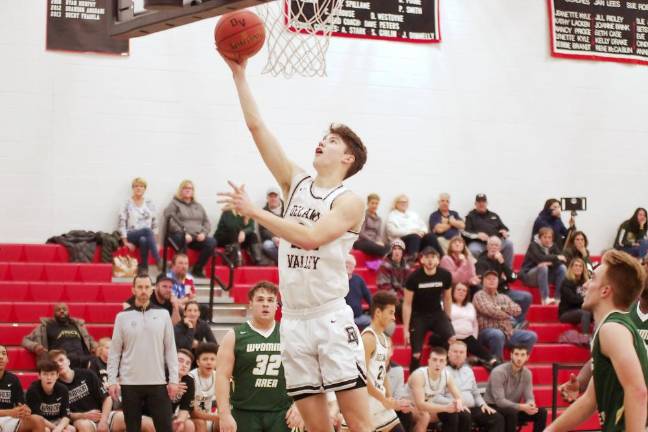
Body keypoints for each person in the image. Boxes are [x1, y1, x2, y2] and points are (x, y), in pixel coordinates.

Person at [219, 52, 371, 432]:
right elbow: (257, 128)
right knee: (315, 428)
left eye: (332, 140)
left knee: (358, 423)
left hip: (330, 317)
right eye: (323, 137)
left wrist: (254, 211)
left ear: (347, 157)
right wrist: (239, 75)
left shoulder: (349, 201)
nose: (322, 142)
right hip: (295, 321)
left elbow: (310, 238)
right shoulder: (296, 182)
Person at [545, 250, 647, 432]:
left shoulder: (612, 329)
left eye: (592, 278)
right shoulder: (611, 327)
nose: (585, 285)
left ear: (605, 290)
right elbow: (589, 400)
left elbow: (638, 391)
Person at [215, 281, 303, 432]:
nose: (265, 304)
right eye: (260, 300)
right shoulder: (234, 335)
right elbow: (222, 376)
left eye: (270, 300)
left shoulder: (289, 334)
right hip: (244, 413)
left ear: (277, 305)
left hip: (282, 414)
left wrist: (300, 406)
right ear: (251, 304)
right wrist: (224, 414)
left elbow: (303, 373)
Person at [107, 274, 180, 432]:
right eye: (139, 287)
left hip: (158, 382)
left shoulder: (163, 315)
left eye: (147, 287)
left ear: (152, 289)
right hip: (129, 383)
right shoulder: (122, 317)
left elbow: (170, 349)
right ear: (133, 289)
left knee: (165, 428)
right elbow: (114, 352)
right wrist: (112, 380)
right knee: (132, 428)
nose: (143, 291)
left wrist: (174, 379)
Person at [354, 292, 410, 432]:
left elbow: (383, 373)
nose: (393, 317)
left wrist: (389, 398)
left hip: (380, 404)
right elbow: (362, 378)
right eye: (391, 312)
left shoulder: (384, 339)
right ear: (378, 312)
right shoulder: (368, 339)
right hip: (365, 405)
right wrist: (383, 398)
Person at [402, 247, 454, 373]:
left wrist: (448, 320)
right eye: (427, 257)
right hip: (418, 316)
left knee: (452, 341)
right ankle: (412, 383)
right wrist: (405, 329)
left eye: (433, 257)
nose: (430, 261)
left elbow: (447, 299)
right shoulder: (413, 278)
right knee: (416, 354)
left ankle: (445, 375)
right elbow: (407, 304)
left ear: (438, 260)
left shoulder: (445, 275)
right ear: (422, 260)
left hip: (437, 313)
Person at [49, 349, 126, 432]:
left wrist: (103, 421)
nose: (59, 364)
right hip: (82, 420)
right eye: (55, 363)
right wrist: (83, 415)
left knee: (130, 419)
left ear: (68, 361)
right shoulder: (55, 387)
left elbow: (107, 399)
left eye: (61, 360)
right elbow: (64, 415)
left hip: (103, 416)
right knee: (83, 425)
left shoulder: (87, 374)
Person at [473, 271, 537, 361]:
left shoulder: (503, 297)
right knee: (497, 334)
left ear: (498, 281)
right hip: (486, 332)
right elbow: (489, 311)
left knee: (531, 336)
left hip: (507, 332)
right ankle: (497, 364)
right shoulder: (479, 295)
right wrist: (507, 313)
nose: (491, 281)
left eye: (494, 279)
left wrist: (500, 307)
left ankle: (518, 362)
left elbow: (517, 310)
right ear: (483, 281)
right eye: (488, 279)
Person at [442, 341, 504, 432]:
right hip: (453, 408)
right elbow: (438, 396)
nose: (458, 355)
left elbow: (475, 393)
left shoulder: (468, 371)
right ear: (449, 353)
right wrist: (456, 404)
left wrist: (483, 404)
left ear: (465, 355)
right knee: (465, 417)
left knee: (497, 418)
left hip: (472, 408)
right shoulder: (442, 371)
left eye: (461, 352)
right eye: (455, 352)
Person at [483, 346, 547, 432]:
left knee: (541, 412)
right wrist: (521, 407)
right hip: (494, 406)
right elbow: (500, 401)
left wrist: (530, 405)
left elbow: (529, 396)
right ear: (511, 355)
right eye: (516, 354)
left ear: (527, 357)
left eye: (522, 355)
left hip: (513, 408)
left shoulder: (527, 373)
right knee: (511, 412)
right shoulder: (498, 372)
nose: (519, 358)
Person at [407, 347, 469, 432]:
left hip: (426, 407)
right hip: (406, 407)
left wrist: (459, 402)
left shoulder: (447, 375)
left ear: (445, 363)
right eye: (434, 360)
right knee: (424, 416)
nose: (438, 364)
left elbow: (457, 395)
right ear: (429, 361)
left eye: (441, 361)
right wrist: (445, 408)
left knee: (461, 414)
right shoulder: (419, 375)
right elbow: (420, 405)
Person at [164, 180, 217, 278]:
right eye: (185, 188)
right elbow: (170, 220)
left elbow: (206, 222)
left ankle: (197, 269)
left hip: (196, 236)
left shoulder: (198, 206)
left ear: (193, 191)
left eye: (190, 188)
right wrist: (183, 232)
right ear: (181, 190)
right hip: (179, 235)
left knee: (212, 242)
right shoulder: (174, 203)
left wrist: (204, 233)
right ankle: (182, 271)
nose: (188, 190)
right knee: (182, 238)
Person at [475, 236, 531, 327]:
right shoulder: (481, 262)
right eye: (491, 245)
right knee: (503, 303)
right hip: (493, 294)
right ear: (487, 247)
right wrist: (502, 279)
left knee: (526, 297)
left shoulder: (500, 260)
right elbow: (486, 280)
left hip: (505, 291)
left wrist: (502, 263)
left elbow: (513, 278)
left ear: (500, 248)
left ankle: (518, 323)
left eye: (496, 245)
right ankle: (513, 324)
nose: (494, 247)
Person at [21, 303, 96, 368]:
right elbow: (25, 340)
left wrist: (94, 346)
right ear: (54, 313)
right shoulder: (46, 326)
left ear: (68, 311)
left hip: (83, 359)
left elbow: (89, 339)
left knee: (98, 360)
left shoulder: (77, 325)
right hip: (61, 361)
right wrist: (35, 346)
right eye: (58, 310)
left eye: (64, 309)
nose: (62, 311)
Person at [118, 177, 162, 273]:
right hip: (131, 234)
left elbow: (155, 223)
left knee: (144, 240)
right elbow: (121, 223)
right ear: (132, 188)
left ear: (144, 189)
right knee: (147, 230)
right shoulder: (127, 203)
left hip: (146, 236)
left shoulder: (149, 202)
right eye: (136, 186)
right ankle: (158, 260)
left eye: (141, 186)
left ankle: (143, 268)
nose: (138, 188)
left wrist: (157, 242)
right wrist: (125, 242)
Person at [449, 284, 497, 370]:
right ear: (453, 291)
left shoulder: (470, 306)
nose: (461, 292)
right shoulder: (446, 304)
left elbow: (475, 324)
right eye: (459, 289)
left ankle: (493, 362)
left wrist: (474, 337)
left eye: (464, 291)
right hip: (451, 337)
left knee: (484, 353)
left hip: (467, 337)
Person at [0, 344, 46, 432]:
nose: (1, 357)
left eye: (3, 353)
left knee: (38, 420)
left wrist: (25, 411)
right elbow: (12, 412)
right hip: (7, 415)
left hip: (7, 420)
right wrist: (10, 412)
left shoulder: (13, 379)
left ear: (7, 360)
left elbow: (20, 405)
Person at [519, 227, 567, 305]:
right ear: (540, 237)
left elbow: (563, 260)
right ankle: (545, 298)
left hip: (545, 276)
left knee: (562, 268)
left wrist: (551, 263)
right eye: (545, 237)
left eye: (549, 237)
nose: (547, 240)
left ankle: (558, 298)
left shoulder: (553, 246)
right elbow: (540, 258)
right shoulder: (533, 245)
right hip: (530, 276)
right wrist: (555, 257)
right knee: (543, 267)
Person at [463, 194, 514, 268]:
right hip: (480, 244)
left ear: (486, 203)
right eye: (479, 202)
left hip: (495, 243)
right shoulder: (470, 216)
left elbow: (503, 227)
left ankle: (507, 270)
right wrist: (477, 235)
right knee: (473, 249)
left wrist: (504, 231)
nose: (481, 204)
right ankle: (478, 272)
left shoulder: (494, 215)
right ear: (475, 204)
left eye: (483, 202)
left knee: (509, 244)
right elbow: (466, 232)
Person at [385, 194, 440, 261]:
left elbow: (423, 225)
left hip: (418, 238)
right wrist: (412, 231)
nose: (404, 204)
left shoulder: (413, 214)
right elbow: (393, 231)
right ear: (396, 204)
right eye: (401, 202)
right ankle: (412, 261)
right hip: (403, 241)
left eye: (406, 202)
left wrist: (423, 232)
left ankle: (440, 259)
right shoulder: (392, 215)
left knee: (431, 236)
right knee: (414, 236)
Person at [26, 360, 73, 432]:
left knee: (71, 429)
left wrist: (59, 428)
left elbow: (66, 416)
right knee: (46, 430)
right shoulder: (33, 391)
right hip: (40, 421)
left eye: (52, 374)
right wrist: (55, 429)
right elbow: (38, 417)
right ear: (39, 376)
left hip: (57, 420)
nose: (49, 378)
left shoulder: (63, 389)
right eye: (45, 374)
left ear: (57, 375)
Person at [189, 343, 219, 432]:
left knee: (224, 422)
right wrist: (217, 417)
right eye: (205, 359)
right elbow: (192, 412)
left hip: (210, 417)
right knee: (200, 422)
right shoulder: (190, 378)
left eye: (212, 359)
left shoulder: (218, 376)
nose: (209, 362)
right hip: (191, 419)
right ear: (198, 362)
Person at [376, 239, 410, 319]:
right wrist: (401, 297)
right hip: (389, 298)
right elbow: (384, 287)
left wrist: (406, 297)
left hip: (402, 297)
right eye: (394, 249)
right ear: (391, 251)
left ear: (403, 252)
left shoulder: (406, 267)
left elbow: (409, 285)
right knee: (406, 308)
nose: (397, 251)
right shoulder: (385, 265)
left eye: (399, 249)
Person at [558, 258, 592, 336]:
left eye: (580, 266)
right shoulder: (566, 282)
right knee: (586, 313)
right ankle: (585, 337)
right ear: (571, 268)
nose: (578, 268)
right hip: (566, 313)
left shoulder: (585, 281)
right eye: (576, 266)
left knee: (598, 311)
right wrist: (586, 299)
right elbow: (573, 299)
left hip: (580, 310)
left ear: (583, 269)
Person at [344, 254, 372, 330]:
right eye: (346, 263)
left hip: (358, 317)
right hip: (343, 319)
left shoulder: (359, 280)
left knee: (374, 321)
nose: (348, 265)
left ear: (354, 267)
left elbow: (368, 296)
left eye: (350, 264)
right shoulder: (339, 281)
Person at [258, 186, 284, 265]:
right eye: (270, 196)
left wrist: (284, 239)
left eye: (275, 196)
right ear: (267, 198)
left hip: (287, 238)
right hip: (273, 240)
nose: (273, 199)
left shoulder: (288, 209)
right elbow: (263, 230)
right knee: (267, 245)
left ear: (279, 197)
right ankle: (283, 262)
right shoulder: (263, 212)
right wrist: (273, 237)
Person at [172, 349, 196, 432]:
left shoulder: (188, 381)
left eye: (188, 363)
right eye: (180, 361)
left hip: (168, 416)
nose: (184, 365)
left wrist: (180, 420)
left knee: (188, 425)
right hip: (148, 414)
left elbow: (186, 407)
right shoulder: (162, 375)